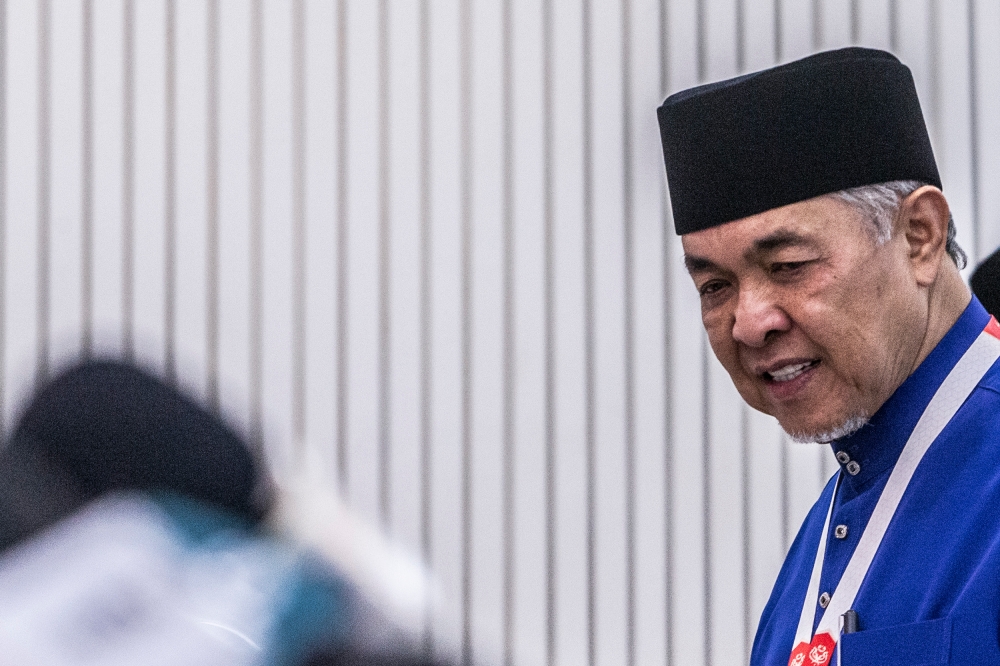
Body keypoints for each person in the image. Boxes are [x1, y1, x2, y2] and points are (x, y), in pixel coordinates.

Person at [657, 47, 1000, 665]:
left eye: (788, 266)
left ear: (919, 236)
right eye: (715, 286)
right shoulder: (842, 511)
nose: (748, 322)